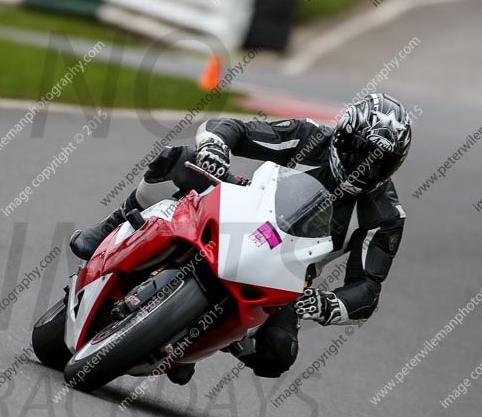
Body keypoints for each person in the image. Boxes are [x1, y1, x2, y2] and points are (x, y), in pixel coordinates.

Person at [69, 93, 411, 382]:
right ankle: (110, 225)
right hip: (243, 211)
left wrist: (329, 305)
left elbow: (367, 287)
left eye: (378, 163)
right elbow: (233, 128)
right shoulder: (311, 137)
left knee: (278, 354)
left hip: (287, 275)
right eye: (358, 152)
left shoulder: (385, 216)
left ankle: (190, 343)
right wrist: (216, 150)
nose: (363, 168)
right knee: (179, 160)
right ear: (341, 137)